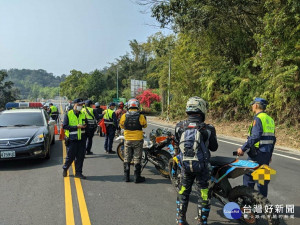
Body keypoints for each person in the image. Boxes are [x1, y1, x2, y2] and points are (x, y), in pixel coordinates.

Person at [173, 96, 218, 225]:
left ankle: (181, 219)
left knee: (183, 191)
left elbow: (177, 143)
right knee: (203, 193)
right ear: (202, 109)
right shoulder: (208, 129)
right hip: (203, 167)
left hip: (185, 166)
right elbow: (214, 148)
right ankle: (201, 221)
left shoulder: (179, 126)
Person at [237, 97, 276, 197]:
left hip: (257, 153)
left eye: (252, 105)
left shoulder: (258, 118)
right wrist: (270, 154)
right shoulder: (270, 119)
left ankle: (248, 201)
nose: (252, 107)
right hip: (266, 154)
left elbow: (255, 136)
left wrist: (243, 148)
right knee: (262, 180)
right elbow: (272, 139)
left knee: (248, 176)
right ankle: (263, 205)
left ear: (256, 105)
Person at [119, 98, 147, 183]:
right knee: (137, 158)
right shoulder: (141, 116)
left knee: (127, 157)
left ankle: (126, 177)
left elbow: (121, 125)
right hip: (138, 139)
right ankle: (137, 178)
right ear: (137, 106)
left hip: (127, 139)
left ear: (129, 106)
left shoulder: (124, 115)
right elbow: (144, 125)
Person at [62, 99, 87, 179]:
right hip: (72, 140)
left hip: (81, 140)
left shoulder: (83, 114)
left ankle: (78, 172)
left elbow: (86, 124)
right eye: (79, 105)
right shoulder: (68, 114)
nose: (80, 106)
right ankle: (65, 168)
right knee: (70, 157)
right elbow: (65, 127)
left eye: (81, 105)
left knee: (80, 157)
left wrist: (85, 126)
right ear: (74, 105)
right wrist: (76, 127)